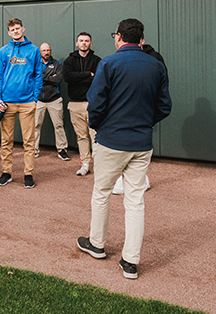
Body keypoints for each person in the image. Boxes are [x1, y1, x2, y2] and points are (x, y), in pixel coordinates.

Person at [77, 19, 171, 280]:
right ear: (141, 39)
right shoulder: (156, 65)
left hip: (112, 140)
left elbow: (95, 104)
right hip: (141, 142)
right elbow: (164, 106)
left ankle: (97, 244)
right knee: (135, 201)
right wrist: (144, 123)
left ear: (119, 37)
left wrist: (100, 126)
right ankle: (130, 261)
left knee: (102, 193)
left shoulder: (109, 63)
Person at [112, 38, 165, 195]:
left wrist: (149, 118)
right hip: (127, 111)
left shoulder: (154, 58)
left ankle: (140, 179)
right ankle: (131, 178)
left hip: (144, 112)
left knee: (138, 150)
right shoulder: (123, 56)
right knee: (128, 147)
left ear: (141, 40)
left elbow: (160, 89)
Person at [0, 18, 42, 188]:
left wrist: (34, 98)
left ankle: (28, 174)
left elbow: (38, 75)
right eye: (12, 29)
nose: (15, 31)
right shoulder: (4, 51)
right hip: (7, 103)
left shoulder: (34, 50)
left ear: (23, 29)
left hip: (27, 103)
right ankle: (6, 172)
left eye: (18, 28)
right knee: (6, 141)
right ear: (9, 32)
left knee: (29, 141)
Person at [63, 32, 101, 176]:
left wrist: (78, 78)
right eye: (81, 40)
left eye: (86, 41)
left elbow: (98, 79)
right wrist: (87, 74)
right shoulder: (69, 60)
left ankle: (99, 165)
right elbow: (68, 77)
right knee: (81, 137)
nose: (84, 43)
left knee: (96, 137)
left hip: (92, 104)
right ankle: (85, 164)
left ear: (90, 43)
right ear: (77, 43)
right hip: (75, 104)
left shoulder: (97, 60)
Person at [34, 42, 69, 161]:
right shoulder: (35, 64)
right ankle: (34, 150)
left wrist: (42, 77)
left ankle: (62, 150)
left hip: (54, 99)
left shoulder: (57, 64)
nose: (46, 52)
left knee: (59, 125)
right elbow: (33, 79)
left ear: (51, 51)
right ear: (40, 52)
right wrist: (50, 77)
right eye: (44, 50)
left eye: (48, 50)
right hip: (38, 100)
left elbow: (58, 80)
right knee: (35, 126)